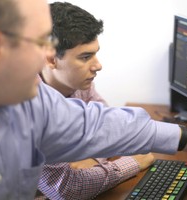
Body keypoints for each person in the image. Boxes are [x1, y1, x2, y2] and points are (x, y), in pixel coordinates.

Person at [0, 0, 187, 199]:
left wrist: (186, 137)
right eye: (40, 44)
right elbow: (68, 186)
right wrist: (131, 161)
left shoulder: (28, 101)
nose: (47, 58)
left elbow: (94, 127)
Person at [36, 2, 155, 199]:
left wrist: (87, 158)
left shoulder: (79, 81)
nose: (98, 65)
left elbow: (107, 132)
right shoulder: (27, 106)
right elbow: (68, 190)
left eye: (96, 53)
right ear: (51, 60)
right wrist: (132, 163)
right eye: (85, 57)